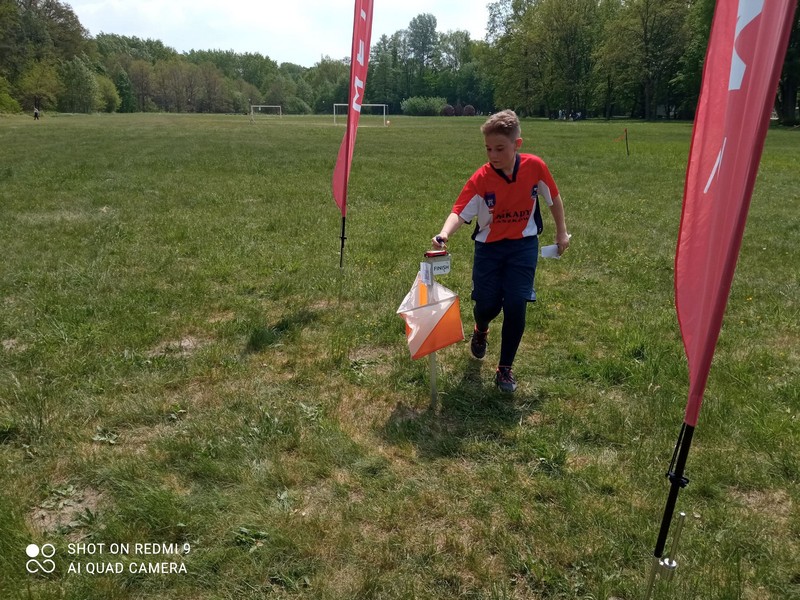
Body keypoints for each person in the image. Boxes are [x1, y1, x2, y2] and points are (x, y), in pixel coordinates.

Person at [431, 109, 570, 392]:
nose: (493, 155)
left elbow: (553, 198)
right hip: (489, 250)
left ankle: (505, 368)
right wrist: (444, 233)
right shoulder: (482, 179)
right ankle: (481, 329)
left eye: (499, 148)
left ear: (517, 145)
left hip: (523, 247)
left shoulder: (535, 167)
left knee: (517, 304)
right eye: (488, 149)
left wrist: (561, 232)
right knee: (487, 305)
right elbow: (460, 211)